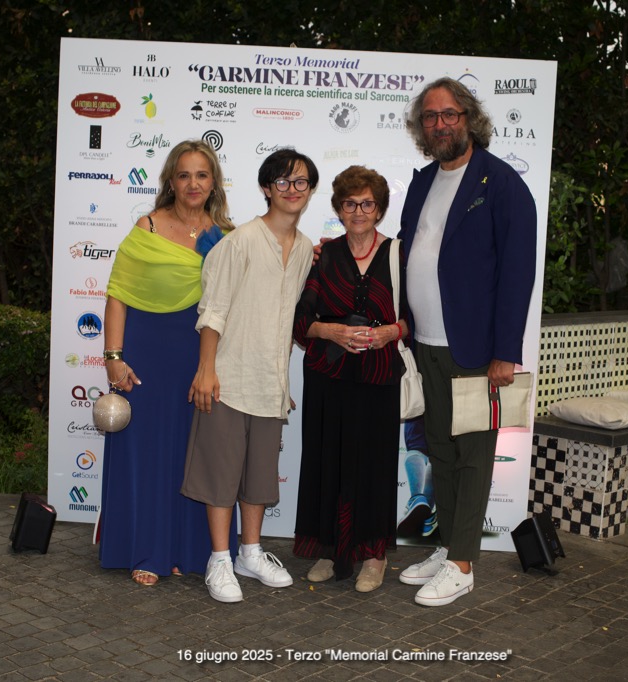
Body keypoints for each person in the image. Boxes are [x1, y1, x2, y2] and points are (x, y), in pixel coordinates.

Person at [396, 77, 537, 606]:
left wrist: (506, 352)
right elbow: (408, 251)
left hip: (476, 350)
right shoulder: (423, 182)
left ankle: (462, 564)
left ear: (468, 119)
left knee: (474, 455)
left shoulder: (500, 183)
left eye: (449, 114)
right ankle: (446, 546)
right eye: (431, 117)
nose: (440, 124)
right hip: (426, 344)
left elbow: (517, 273)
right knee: (440, 450)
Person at [182, 148, 319, 603]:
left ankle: (250, 553)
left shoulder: (304, 249)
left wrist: (281, 379)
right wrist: (206, 371)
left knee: (259, 475)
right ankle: (220, 559)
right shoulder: (238, 242)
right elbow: (212, 311)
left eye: (301, 182)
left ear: (310, 190)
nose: (292, 190)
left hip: (269, 383)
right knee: (221, 474)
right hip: (228, 378)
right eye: (282, 181)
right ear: (266, 188)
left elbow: (284, 317)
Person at [99, 139, 235, 586]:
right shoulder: (149, 227)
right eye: (184, 175)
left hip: (200, 356)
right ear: (171, 182)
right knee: (147, 453)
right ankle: (148, 550)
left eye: (202, 174)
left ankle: (189, 550)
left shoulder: (226, 237)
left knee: (195, 453)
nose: (193, 183)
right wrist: (114, 358)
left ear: (213, 182)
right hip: (145, 354)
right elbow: (118, 295)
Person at [292, 165, 409, 593]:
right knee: (327, 462)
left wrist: (389, 332)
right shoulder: (323, 256)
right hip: (328, 376)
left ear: (379, 209)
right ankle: (329, 548)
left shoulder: (398, 255)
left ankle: (374, 557)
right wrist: (330, 330)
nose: (358, 212)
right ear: (339, 209)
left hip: (378, 378)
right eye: (350, 203)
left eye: (367, 204)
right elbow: (300, 321)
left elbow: (416, 317)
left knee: (375, 465)